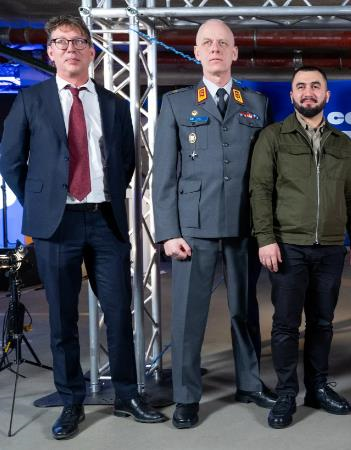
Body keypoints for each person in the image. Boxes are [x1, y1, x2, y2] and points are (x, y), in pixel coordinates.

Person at [0, 15, 167, 440]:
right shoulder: (31, 100)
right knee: (62, 320)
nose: (71, 48)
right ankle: (71, 401)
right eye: (61, 42)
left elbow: (126, 161)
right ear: (50, 52)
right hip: (57, 226)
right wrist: (42, 202)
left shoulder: (113, 103)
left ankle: (127, 395)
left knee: (120, 313)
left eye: (78, 41)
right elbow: (11, 160)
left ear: (92, 51)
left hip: (105, 220)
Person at [152, 18, 275, 429]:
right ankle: (187, 396)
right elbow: (163, 175)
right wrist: (168, 232)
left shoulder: (256, 104)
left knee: (245, 310)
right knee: (189, 316)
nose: (216, 48)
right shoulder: (177, 104)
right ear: (197, 53)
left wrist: (266, 229)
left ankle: (250, 383)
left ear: (235, 52)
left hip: (243, 224)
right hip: (194, 227)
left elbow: (265, 174)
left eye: (223, 42)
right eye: (208, 42)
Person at [250, 66, 351, 429]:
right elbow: (260, 191)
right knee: (286, 324)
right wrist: (266, 238)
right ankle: (287, 393)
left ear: (327, 95)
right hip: (289, 246)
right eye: (301, 86)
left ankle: (317, 388)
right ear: (292, 95)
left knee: (322, 322)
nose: (308, 91)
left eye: (316, 86)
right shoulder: (273, 137)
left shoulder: (342, 142)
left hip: (330, 248)